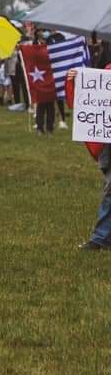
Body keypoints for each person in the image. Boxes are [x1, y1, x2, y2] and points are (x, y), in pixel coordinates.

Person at [67, 68, 111, 250]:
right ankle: (101, 237)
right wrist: (74, 81)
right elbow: (83, 101)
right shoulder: (108, 71)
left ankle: (101, 238)